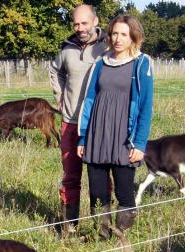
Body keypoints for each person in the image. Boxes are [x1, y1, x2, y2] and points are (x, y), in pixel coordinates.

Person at [77, 15, 153, 240]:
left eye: (124, 34)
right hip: (97, 135)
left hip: (124, 138)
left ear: (133, 37)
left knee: (124, 191)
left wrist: (139, 143)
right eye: (114, 34)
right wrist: (83, 138)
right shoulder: (101, 62)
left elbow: (146, 107)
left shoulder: (141, 63)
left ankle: (122, 238)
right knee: (97, 193)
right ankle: (102, 236)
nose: (118, 39)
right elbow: (89, 99)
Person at [50, 4, 108, 235]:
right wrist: (60, 94)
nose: (80, 28)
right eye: (76, 23)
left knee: (101, 178)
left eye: (84, 23)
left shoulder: (108, 46)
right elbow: (55, 70)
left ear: (95, 21)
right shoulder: (68, 48)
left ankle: (102, 228)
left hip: (99, 123)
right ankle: (70, 226)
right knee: (70, 176)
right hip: (71, 120)